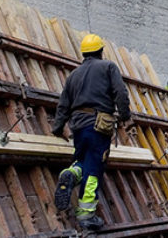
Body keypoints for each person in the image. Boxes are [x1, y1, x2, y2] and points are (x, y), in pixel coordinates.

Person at [52, 33, 131, 231]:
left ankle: (69, 173)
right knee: (94, 167)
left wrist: (57, 127)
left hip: (77, 124)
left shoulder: (74, 75)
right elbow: (120, 92)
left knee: (82, 159)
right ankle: (86, 215)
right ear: (100, 51)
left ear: (84, 53)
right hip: (98, 124)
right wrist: (125, 115)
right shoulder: (108, 67)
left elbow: (63, 105)